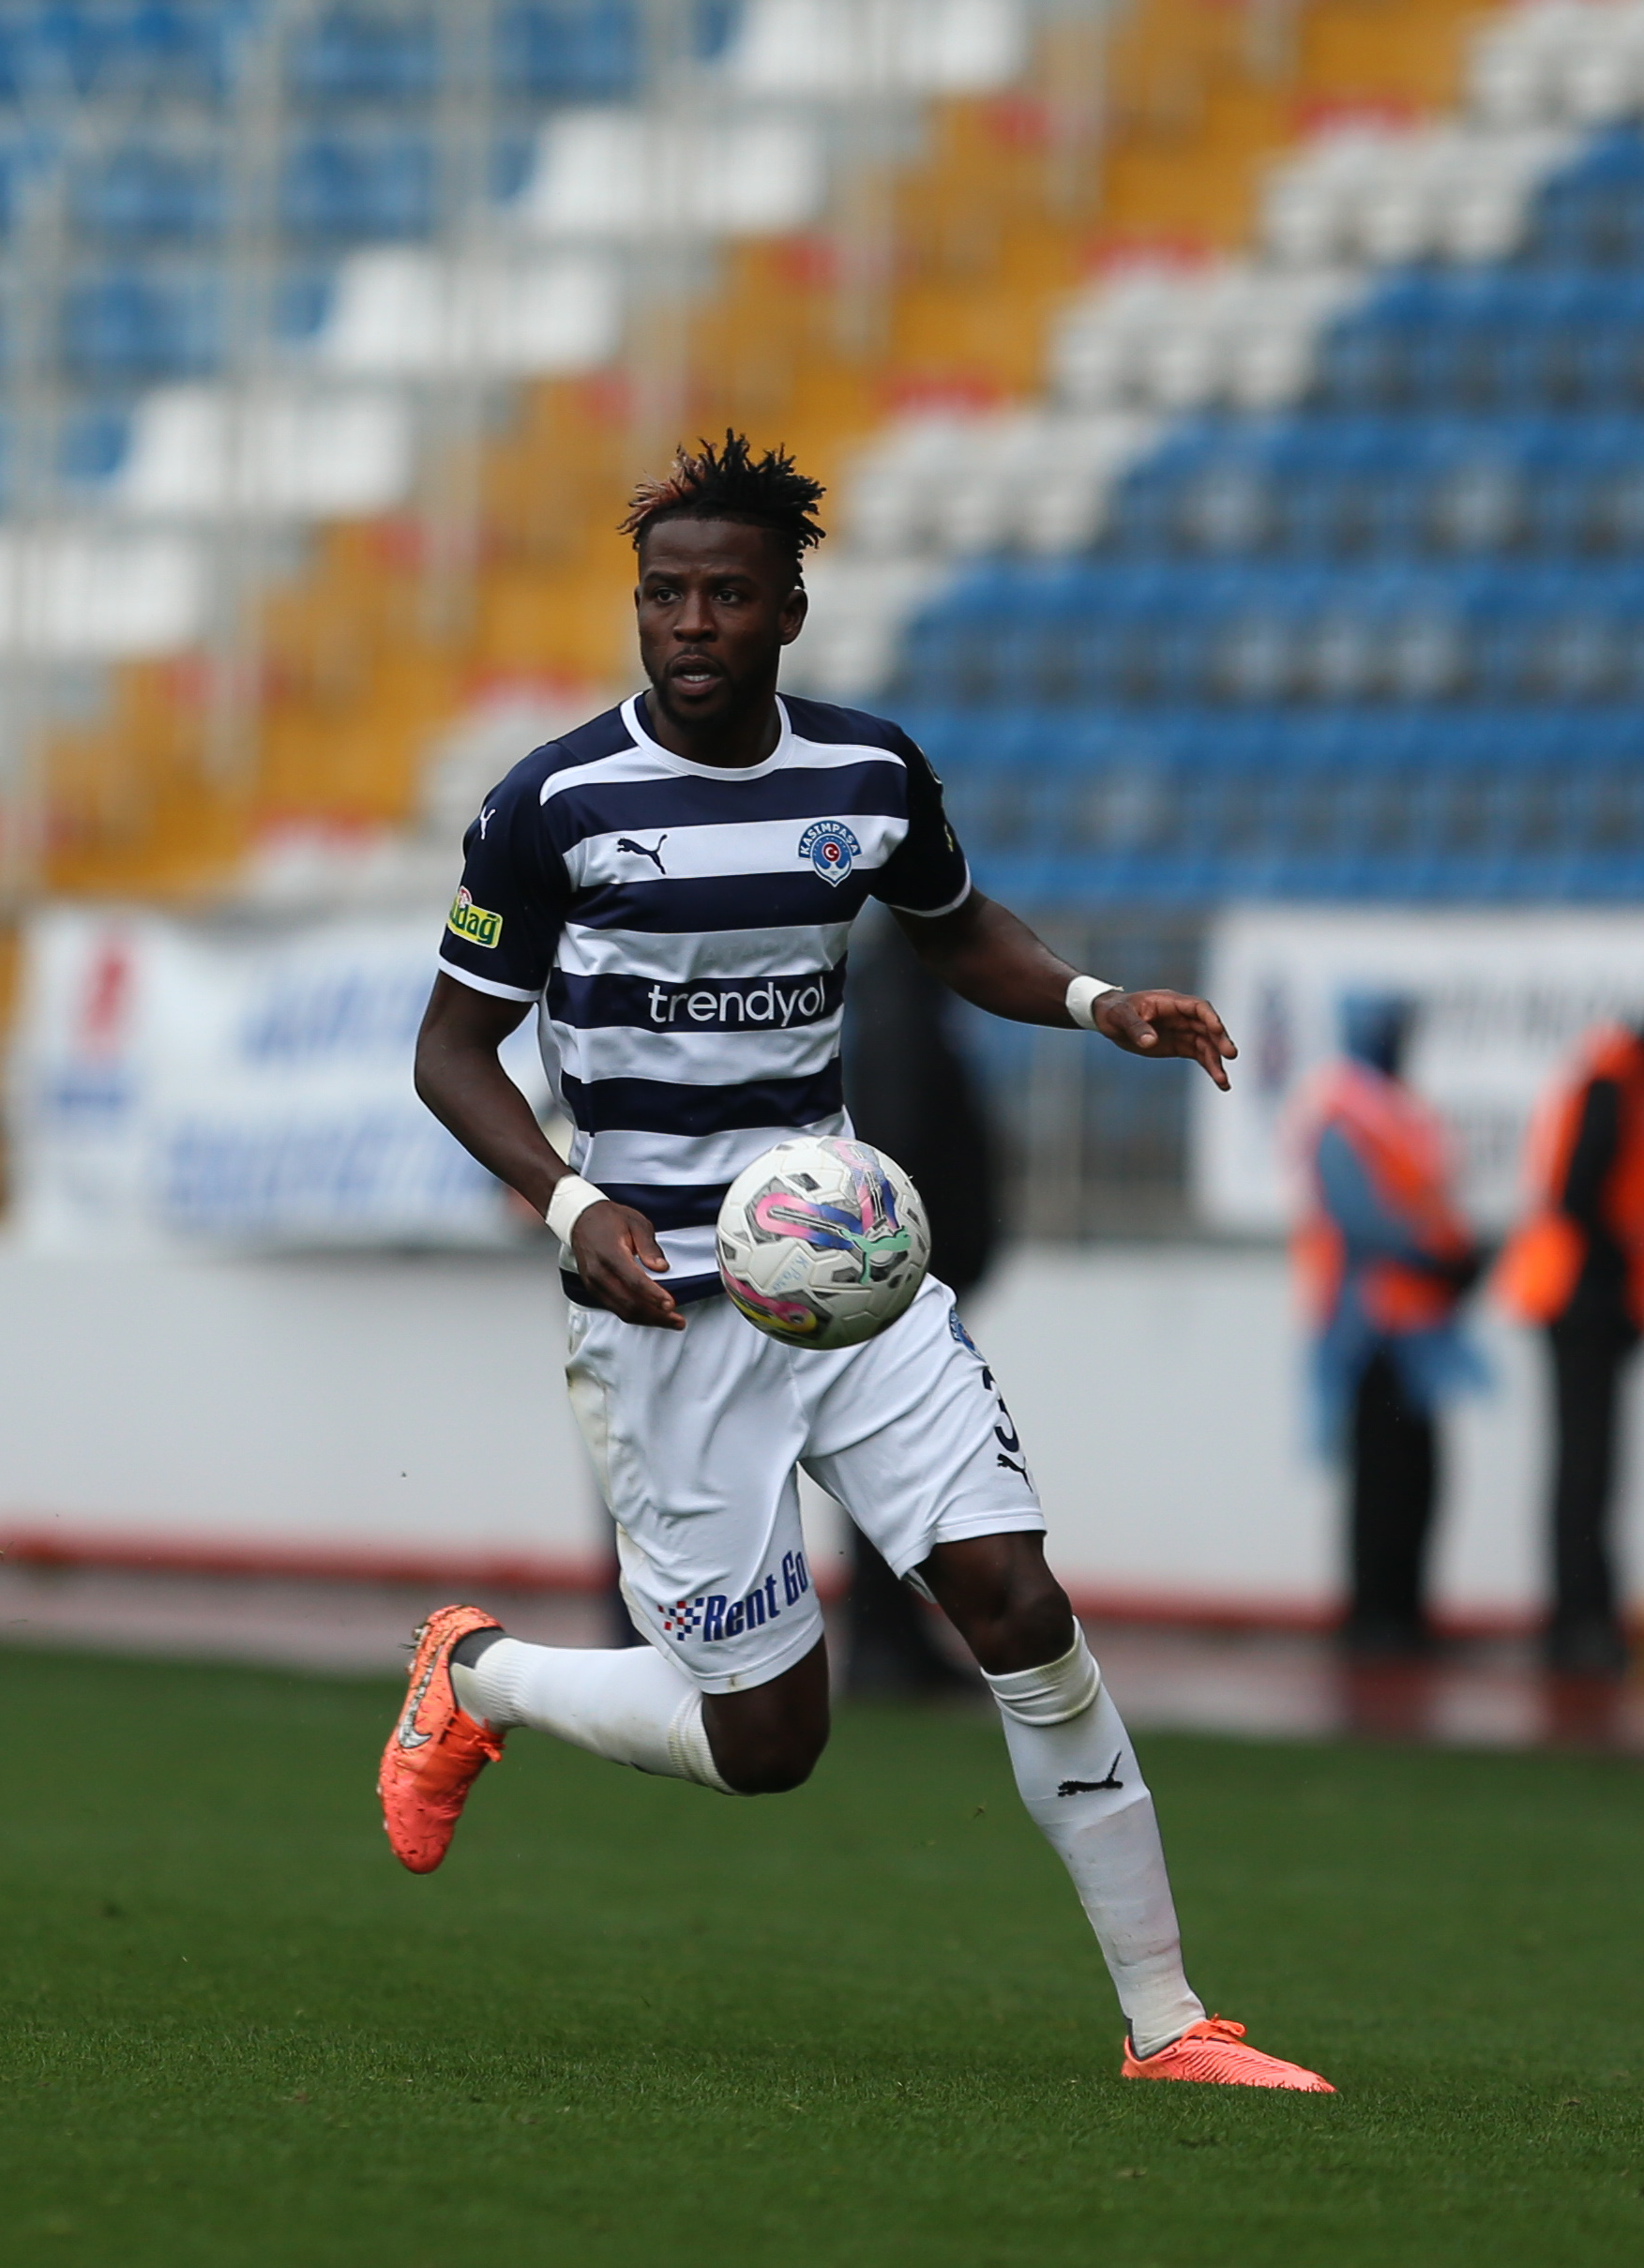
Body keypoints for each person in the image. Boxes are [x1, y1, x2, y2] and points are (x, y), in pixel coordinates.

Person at [382, 432, 1330, 2093]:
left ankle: (1167, 2018)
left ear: (788, 610)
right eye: (663, 594)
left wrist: (1099, 1001)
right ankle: (479, 1677)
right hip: (660, 1307)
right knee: (769, 1740)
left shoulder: (868, 774)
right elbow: (449, 1051)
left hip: (848, 1284)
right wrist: (568, 1204)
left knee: (1015, 1602)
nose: (689, 624)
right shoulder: (552, 804)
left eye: (725, 595)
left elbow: (954, 928)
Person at [839, 906, 1000, 1696]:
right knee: (891, 1459)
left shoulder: (897, 996)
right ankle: (884, 1643)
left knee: (900, 1459)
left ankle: (894, 1636)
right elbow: (902, 1133)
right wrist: (910, 1256)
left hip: (903, 1272)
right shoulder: (904, 1003)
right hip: (901, 1275)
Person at [1291, 993, 1482, 1657]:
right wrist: (1438, 1257)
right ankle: (1374, 1614)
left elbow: (1427, 1199)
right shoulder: (1343, 1116)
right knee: (1380, 1475)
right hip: (1367, 1325)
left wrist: (1457, 1255)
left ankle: (1406, 1610)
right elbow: (1362, 1222)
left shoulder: (1400, 1114)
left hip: (1419, 1325)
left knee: (1419, 1475)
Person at [1494, 1010, 1644, 1676]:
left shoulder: (1620, 1080)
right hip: (1580, 1301)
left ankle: (1585, 1615)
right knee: (1586, 1469)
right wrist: (1621, 1279)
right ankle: (1579, 1622)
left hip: (1584, 1300)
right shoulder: (1615, 1082)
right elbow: (1581, 1195)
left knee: (1589, 1467)